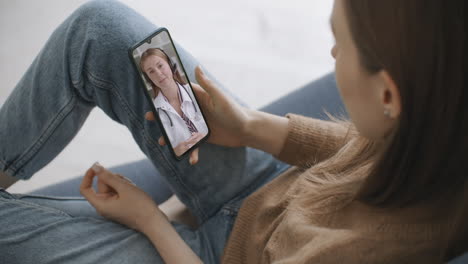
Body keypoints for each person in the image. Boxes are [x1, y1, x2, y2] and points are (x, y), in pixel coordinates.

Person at [0, 0, 467, 263]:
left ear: (388, 97)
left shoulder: (357, 254)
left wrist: (150, 219)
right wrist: (249, 127)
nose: (330, 55)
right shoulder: (438, 125)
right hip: (263, 188)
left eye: (339, 44)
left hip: (211, 256)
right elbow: (358, 145)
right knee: (99, 28)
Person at [140, 48, 208, 156]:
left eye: (160, 65)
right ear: (149, 79)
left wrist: (204, 135)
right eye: (151, 71)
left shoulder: (194, 91)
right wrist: (174, 151)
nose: (158, 73)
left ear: (170, 65)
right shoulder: (156, 111)